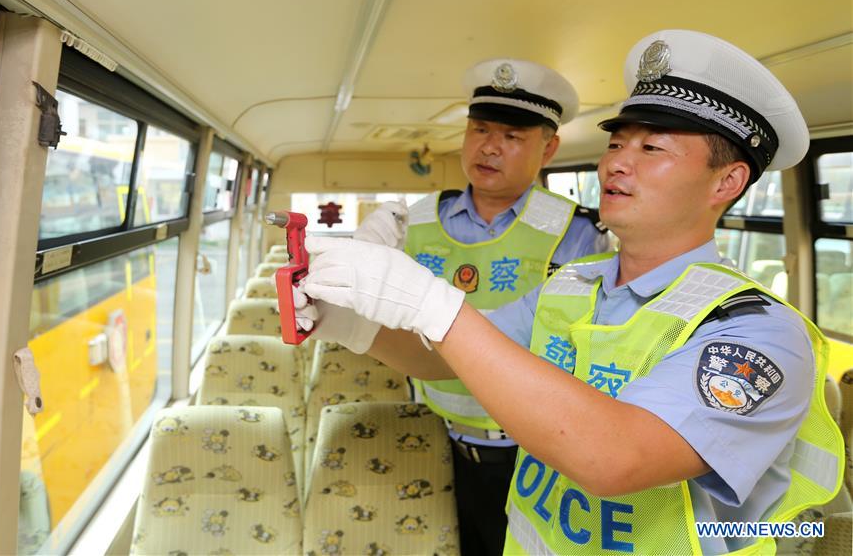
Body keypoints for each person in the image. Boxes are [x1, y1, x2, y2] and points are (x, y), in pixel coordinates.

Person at [297, 30, 844, 554]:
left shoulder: (760, 333)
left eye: (651, 147)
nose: (616, 162)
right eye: (616, 143)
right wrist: (344, 320)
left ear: (726, 182)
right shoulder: (573, 284)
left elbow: (615, 457)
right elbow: (443, 360)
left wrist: (432, 303)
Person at [348, 58, 610, 555]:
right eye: (479, 129)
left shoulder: (576, 235)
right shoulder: (410, 222)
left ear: (548, 147)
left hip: (534, 453)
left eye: (512, 135)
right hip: (430, 437)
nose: (489, 146)